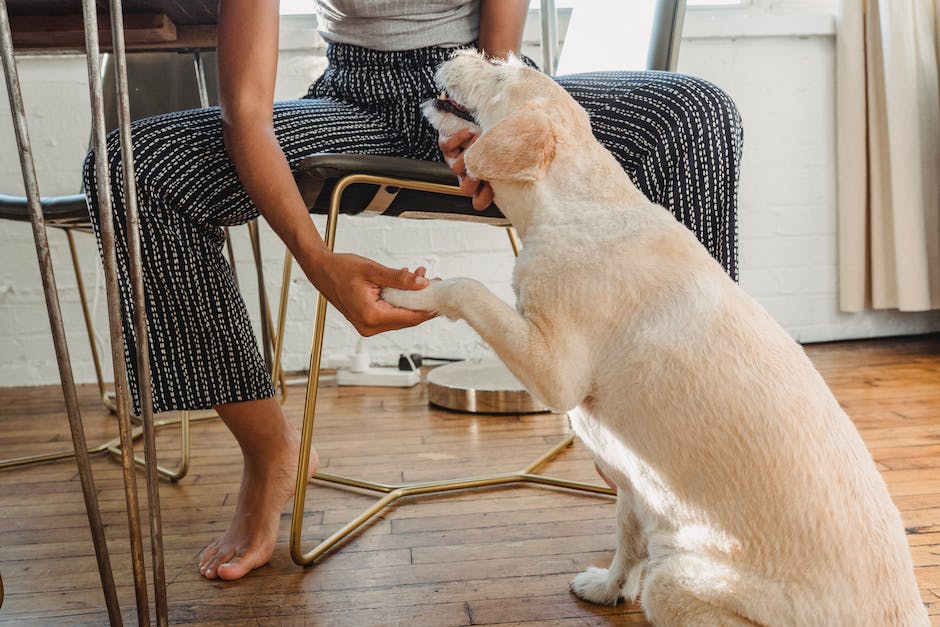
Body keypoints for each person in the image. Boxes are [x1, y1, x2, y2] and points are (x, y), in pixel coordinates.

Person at [83, 0, 742, 581]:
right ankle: (270, 451)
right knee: (133, 169)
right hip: (350, 100)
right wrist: (316, 260)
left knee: (695, 115)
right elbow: (246, 112)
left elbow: (494, 53)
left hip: (479, 81)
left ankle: (676, 448)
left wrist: (483, 116)